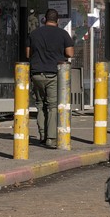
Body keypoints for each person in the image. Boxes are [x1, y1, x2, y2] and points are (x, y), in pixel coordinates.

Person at [26, 9, 74, 146]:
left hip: (36, 74)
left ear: (44, 19)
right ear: (57, 20)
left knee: (40, 105)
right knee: (52, 106)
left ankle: (42, 134)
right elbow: (70, 53)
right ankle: (51, 138)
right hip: (53, 74)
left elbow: (28, 54)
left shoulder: (34, 34)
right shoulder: (63, 34)